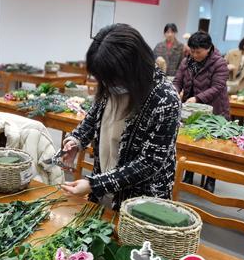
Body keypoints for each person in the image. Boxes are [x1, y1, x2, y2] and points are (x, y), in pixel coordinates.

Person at [60, 24, 181, 210]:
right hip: (104, 187)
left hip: (141, 204)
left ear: (133, 67)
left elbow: (149, 163)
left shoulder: (164, 98)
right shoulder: (112, 83)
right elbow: (94, 118)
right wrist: (76, 141)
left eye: (111, 79)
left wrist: (95, 184)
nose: (108, 85)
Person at [173, 31, 229, 192]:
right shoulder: (187, 61)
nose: (194, 55)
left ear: (209, 48)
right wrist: (176, 91)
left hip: (215, 111)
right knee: (192, 143)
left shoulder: (219, 63)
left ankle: (211, 179)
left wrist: (197, 98)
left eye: (198, 52)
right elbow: (178, 80)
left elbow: (218, 87)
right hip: (192, 111)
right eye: (192, 51)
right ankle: (189, 174)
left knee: (212, 148)